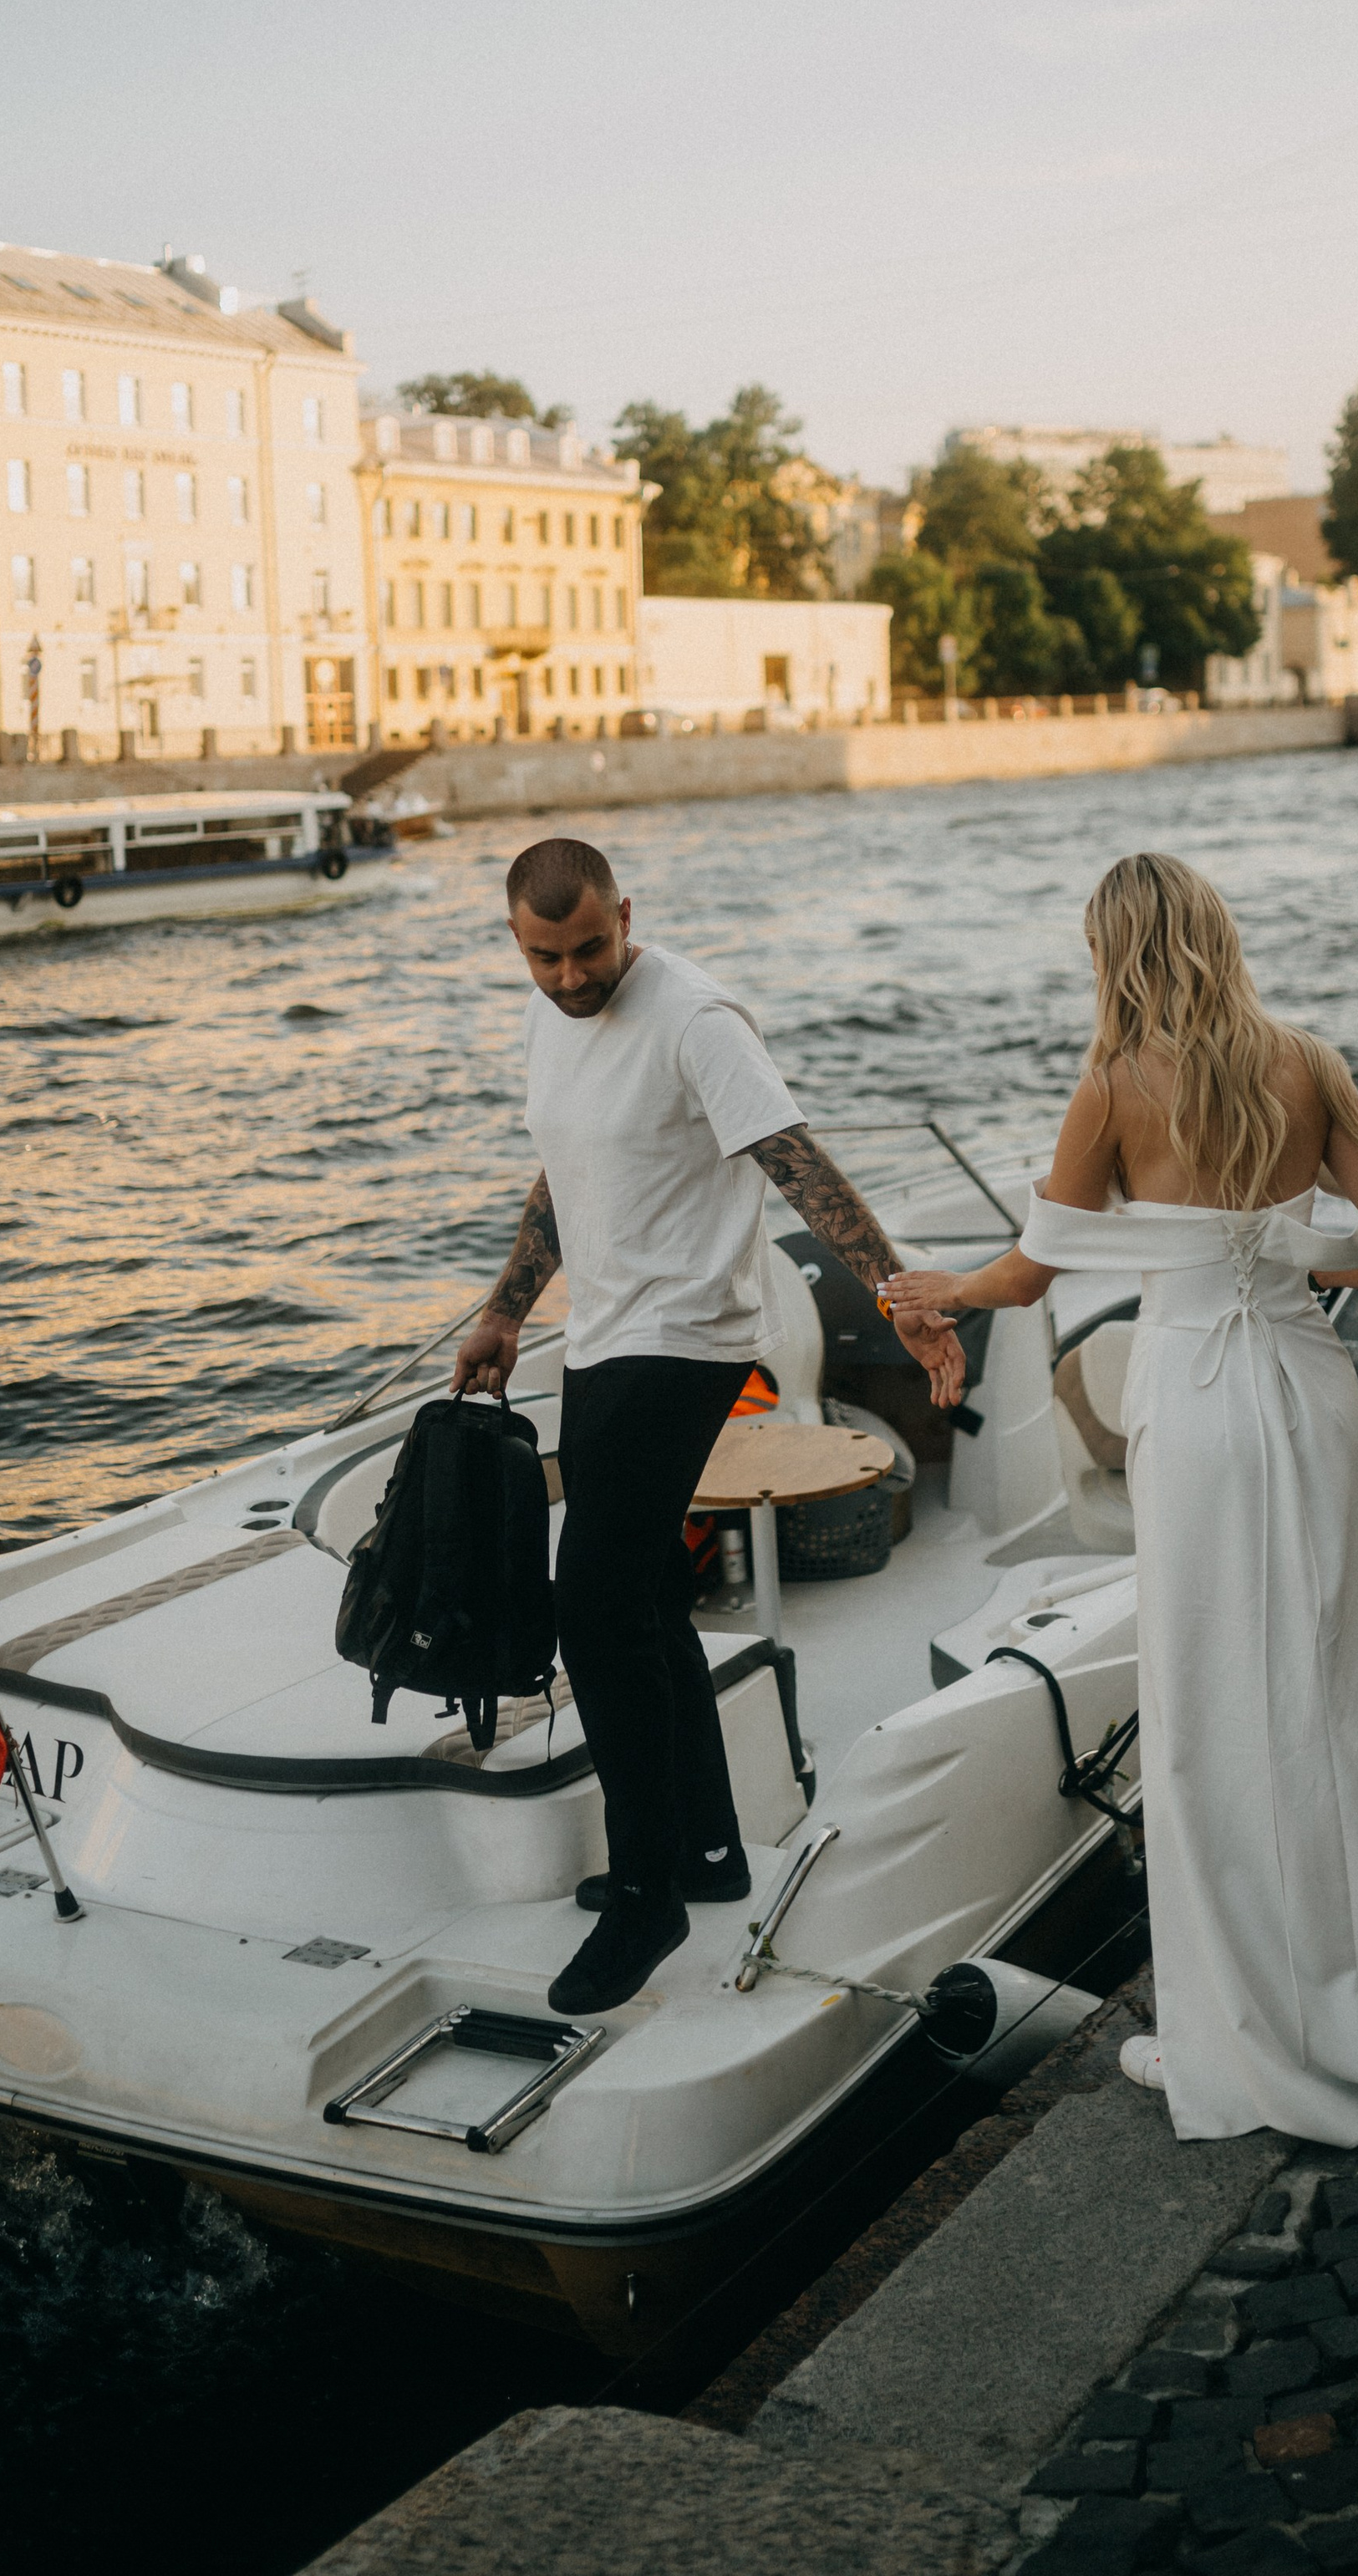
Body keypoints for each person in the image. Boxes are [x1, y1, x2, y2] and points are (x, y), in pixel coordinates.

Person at [889, 853, 1358, 2146]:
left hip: (1199, 1402)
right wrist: (1271, 1249)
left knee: (1203, 1707)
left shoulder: (1114, 1085)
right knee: (1318, 1692)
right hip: (1303, 1382)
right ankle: (1352, 1998)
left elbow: (1035, 1267)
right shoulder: (1310, 1061)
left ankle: (1233, 2027)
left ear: (1113, 953)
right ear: (1218, 935)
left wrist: (933, 1289)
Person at [454, 835, 964, 2016]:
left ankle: (646, 1897)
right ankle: (709, 1848)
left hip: (684, 1338)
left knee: (593, 1606)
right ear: (518, 942)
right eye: (547, 957)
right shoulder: (553, 1017)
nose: (574, 976)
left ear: (626, 915)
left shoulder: (696, 1020)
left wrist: (909, 1306)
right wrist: (504, 1310)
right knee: (640, 1601)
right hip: (604, 1334)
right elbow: (561, 1177)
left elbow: (800, 1168)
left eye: (591, 949)